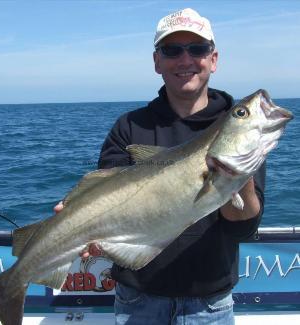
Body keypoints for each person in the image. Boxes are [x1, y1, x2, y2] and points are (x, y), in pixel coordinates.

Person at [55, 8, 265, 325]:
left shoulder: (238, 130)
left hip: (210, 305)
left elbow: (242, 229)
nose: (185, 60)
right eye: (172, 50)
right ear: (157, 61)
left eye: (197, 49)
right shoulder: (128, 127)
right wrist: (88, 229)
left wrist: (235, 175)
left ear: (214, 59)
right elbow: (108, 195)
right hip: (137, 302)